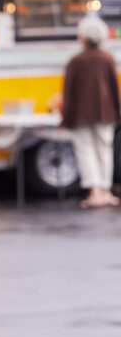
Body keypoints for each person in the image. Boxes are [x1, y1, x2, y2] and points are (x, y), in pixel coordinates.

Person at [61, 13, 121, 208]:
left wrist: (65, 118)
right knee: (105, 150)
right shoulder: (108, 59)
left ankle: (95, 193)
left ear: (83, 37)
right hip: (106, 113)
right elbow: (115, 88)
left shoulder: (75, 61)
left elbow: (68, 92)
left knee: (85, 151)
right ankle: (106, 191)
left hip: (81, 115)